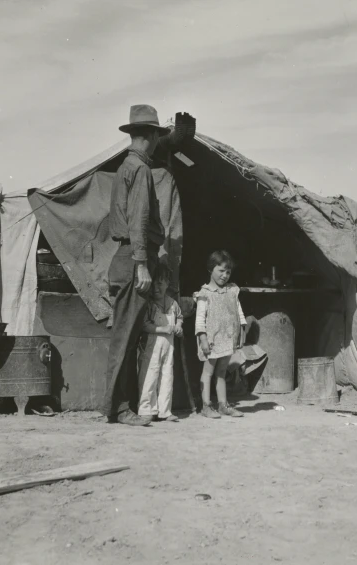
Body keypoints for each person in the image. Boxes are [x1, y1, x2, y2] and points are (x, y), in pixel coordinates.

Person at [101, 104, 169, 426]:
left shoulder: (126, 167)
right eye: (157, 135)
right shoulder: (140, 170)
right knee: (126, 340)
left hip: (127, 257)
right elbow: (139, 221)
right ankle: (118, 408)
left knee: (125, 338)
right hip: (134, 259)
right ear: (153, 136)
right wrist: (142, 264)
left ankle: (119, 406)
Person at [194, 250, 247, 419]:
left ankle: (223, 405)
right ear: (211, 269)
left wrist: (242, 331)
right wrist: (202, 338)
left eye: (228, 272)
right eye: (221, 271)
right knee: (208, 371)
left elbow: (239, 312)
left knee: (222, 372)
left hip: (227, 337)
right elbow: (200, 319)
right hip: (211, 339)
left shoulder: (232, 291)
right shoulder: (205, 293)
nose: (225, 276)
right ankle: (206, 406)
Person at [137, 263, 184, 423]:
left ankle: (165, 411)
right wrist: (163, 329)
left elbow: (180, 317)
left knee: (167, 377)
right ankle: (146, 409)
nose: (156, 288)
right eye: (153, 283)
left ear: (167, 284)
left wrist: (178, 327)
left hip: (168, 350)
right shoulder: (149, 304)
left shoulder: (173, 304)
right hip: (151, 349)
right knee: (149, 377)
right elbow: (145, 325)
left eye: (160, 283)